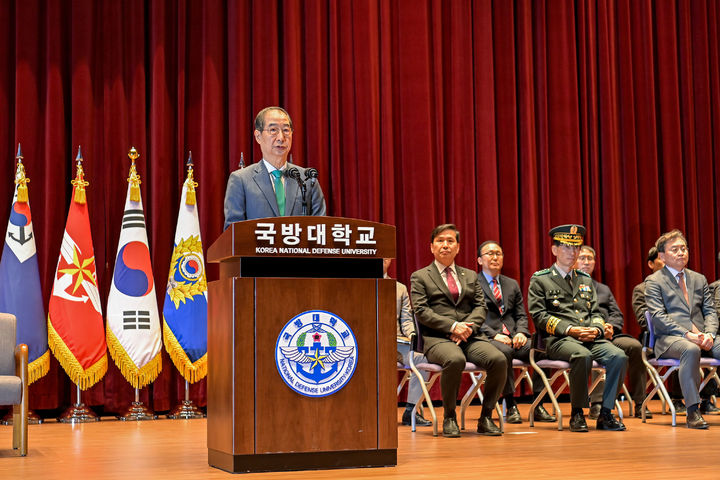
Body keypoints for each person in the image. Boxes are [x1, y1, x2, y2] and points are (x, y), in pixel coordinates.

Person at [528, 224, 628, 432]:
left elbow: (595, 312)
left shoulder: (584, 279)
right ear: (555, 250)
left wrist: (597, 330)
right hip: (559, 340)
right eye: (566, 247)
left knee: (619, 356)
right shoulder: (540, 279)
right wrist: (570, 330)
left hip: (590, 337)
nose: (572, 252)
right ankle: (577, 412)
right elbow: (539, 316)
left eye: (576, 248)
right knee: (582, 355)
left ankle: (606, 413)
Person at [410, 224, 507, 437]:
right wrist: (453, 327)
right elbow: (421, 311)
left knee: (498, 359)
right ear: (432, 247)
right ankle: (450, 417)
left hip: (470, 336)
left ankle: (486, 417)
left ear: (458, 248)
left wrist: (465, 328)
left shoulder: (470, 275)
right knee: (454, 360)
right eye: (440, 241)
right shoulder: (420, 276)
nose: (445, 245)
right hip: (437, 338)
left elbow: (481, 307)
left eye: (450, 241)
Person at [645, 229, 720, 429]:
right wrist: (688, 335)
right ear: (661, 256)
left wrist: (710, 334)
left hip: (703, 335)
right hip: (670, 339)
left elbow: (710, 311)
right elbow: (658, 317)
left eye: (684, 248)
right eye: (675, 249)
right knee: (691, 348)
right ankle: (693, 410)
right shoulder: (653, 281)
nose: (681, 253)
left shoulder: (698, 278)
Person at [476, 240, 556, 424]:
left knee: (542, 349)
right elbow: (473, 316)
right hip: (489, 337)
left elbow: (520, 313)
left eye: (498, 253)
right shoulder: (473, 282)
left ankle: (539, 403)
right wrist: (493, 334)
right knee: (504, 353)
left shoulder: (511, 283)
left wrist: (522, 332)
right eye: (490, 253)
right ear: (480, 260)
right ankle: (510, 403)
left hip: (514, 337)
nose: (495, 257)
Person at [574, 246, 649, 419]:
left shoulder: (603, 289)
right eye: (582, 258)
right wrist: (598, 330)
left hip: (609, 334)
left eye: (590, 259)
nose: (586, 262)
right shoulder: (570, 286)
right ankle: (598, 403)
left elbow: (617, 314)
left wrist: (611, 327)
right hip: (586, 336)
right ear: (574, 261)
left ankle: (640, 402)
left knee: (635, 347)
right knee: (602, 349)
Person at [223, 106, 326, 228]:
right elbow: (233, 233)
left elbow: (322, 230)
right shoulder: (241, 180)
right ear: (258, 136)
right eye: (273, 130)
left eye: (286, 130)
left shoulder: (307, 179)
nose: (281, 138)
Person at [631, 246, 687, 415]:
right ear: (650, 264)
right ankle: (641, 401)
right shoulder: (641, 289)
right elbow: (643, 320)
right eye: (661, 259)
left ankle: (699, 399)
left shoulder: (682, 286)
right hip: (655, 338)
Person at [383, 258, 432, 427]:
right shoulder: (359, 285)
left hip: (396, 344)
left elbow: (406, 319)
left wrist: (411, 334)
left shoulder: (400, 288)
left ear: (390, 260)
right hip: (368, 345)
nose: (383, 260)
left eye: (386, 257)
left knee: (422, 360)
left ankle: (411, 410)